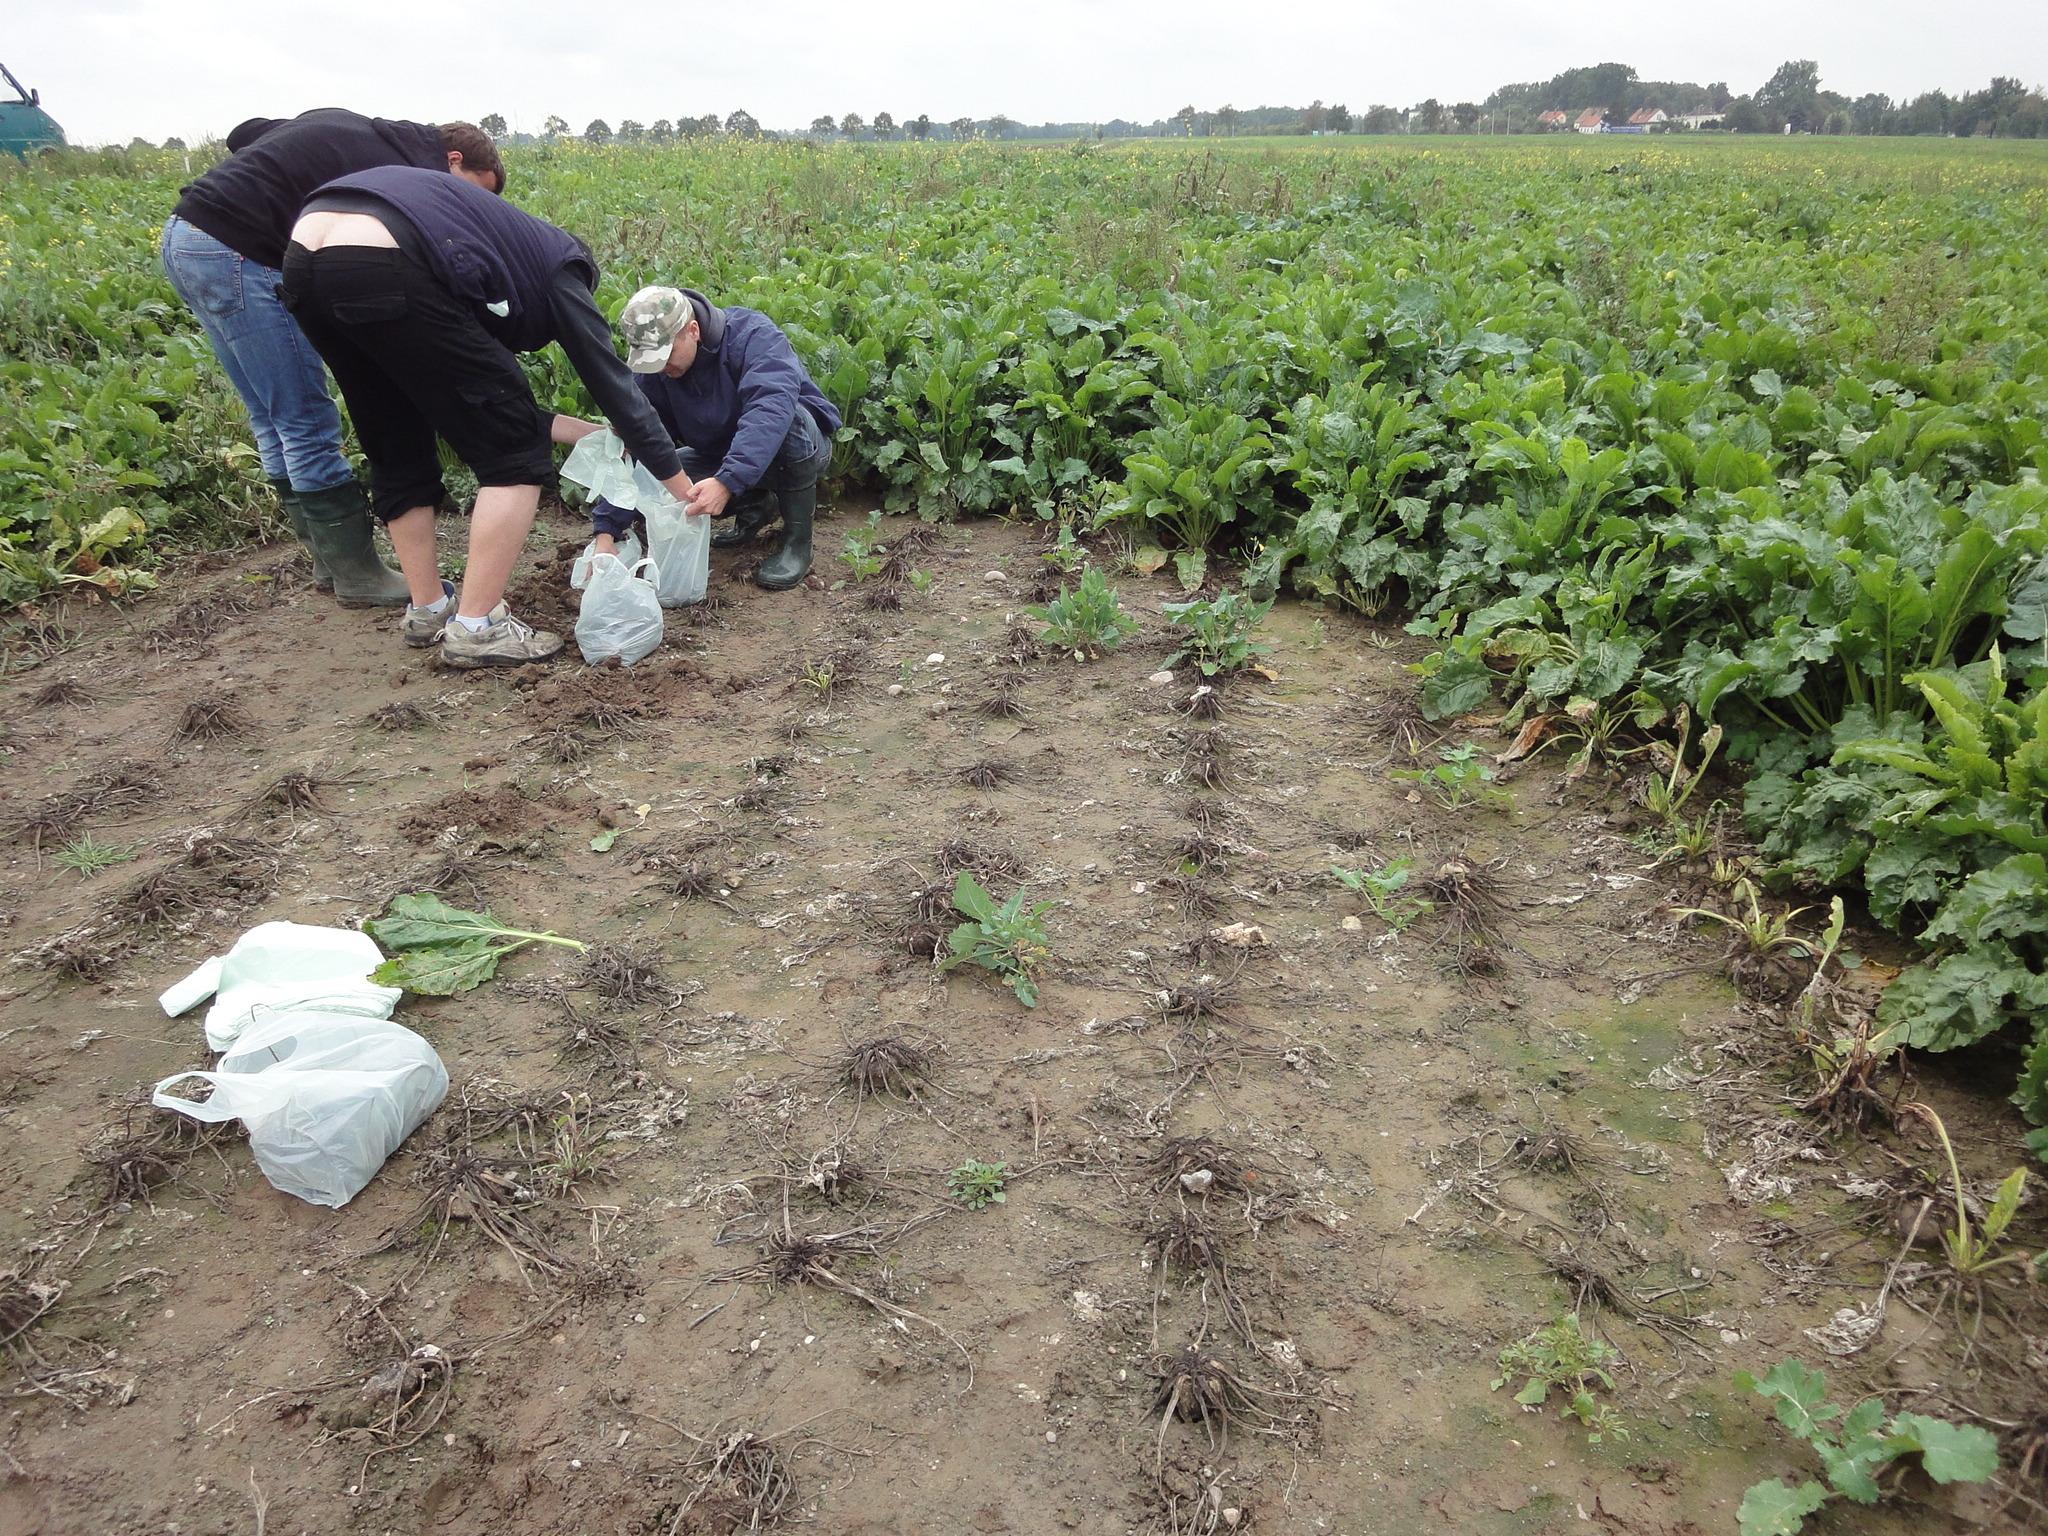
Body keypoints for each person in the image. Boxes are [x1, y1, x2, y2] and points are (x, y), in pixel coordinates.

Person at [279, 164, 699, 667]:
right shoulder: (562, 271)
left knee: (395, 439)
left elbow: (493, 406)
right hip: (387, 255)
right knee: (514, 459)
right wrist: (681, 489)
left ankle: (428, 609)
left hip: (306, 257)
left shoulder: (488, 257)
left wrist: (593, 434)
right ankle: (477, 626)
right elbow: (616, 390)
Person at [159, 109, 503, 606]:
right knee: (305, 420)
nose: (469, 204)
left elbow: (245, 134)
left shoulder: (359, 131)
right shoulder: (402, 171)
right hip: (242, 253)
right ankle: (357, 574)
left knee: (271, 415)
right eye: (475, 189)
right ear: (452, 159)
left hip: (186, 238)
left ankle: (328, 562)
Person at [590, 286, 840, 591]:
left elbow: (770, 409)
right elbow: (641, 442)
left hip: (801, 449)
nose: (661, 368)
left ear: (692, 330)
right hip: (724, 457)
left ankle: (797, 543)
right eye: (651, 360)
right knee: (659, 478)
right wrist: (605, 532)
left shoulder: (754, 336)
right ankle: (757, 503)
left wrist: (727, 481)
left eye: (665, 355)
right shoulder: (658, 373)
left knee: (788, 419)